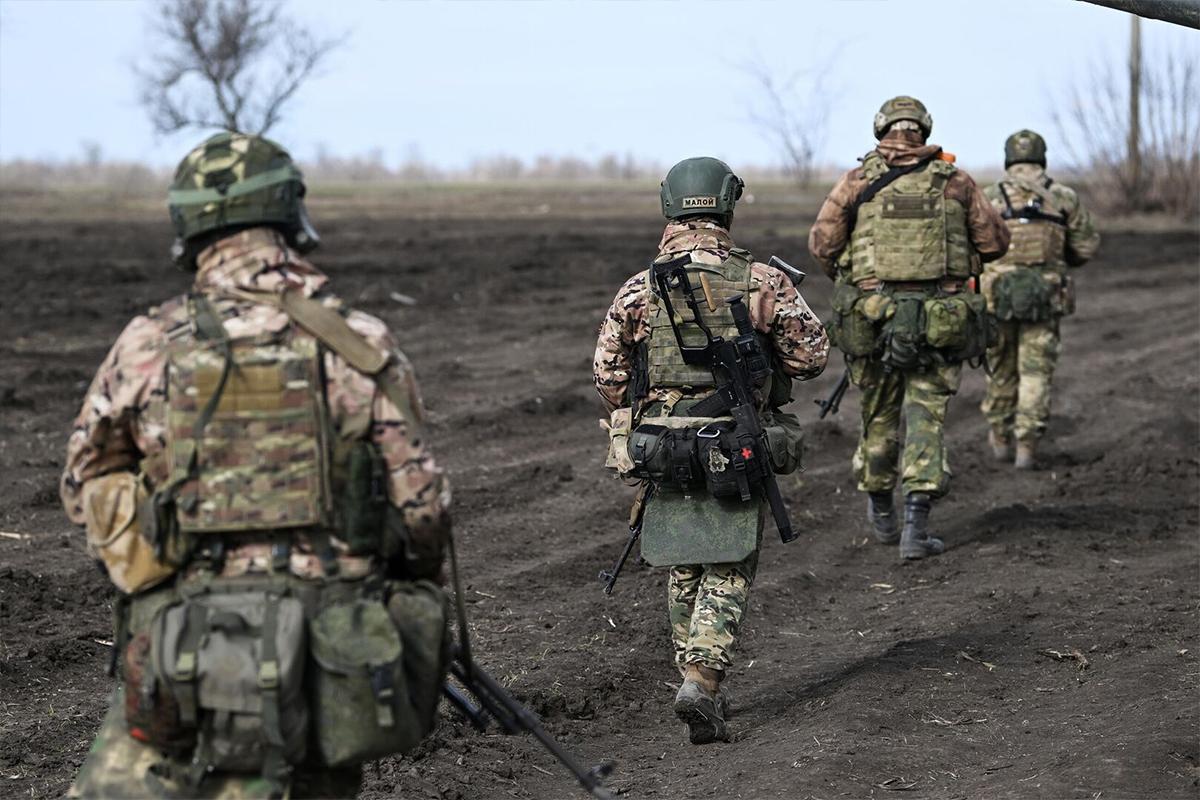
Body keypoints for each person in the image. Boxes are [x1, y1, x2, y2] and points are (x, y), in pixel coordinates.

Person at [62, 132, 452, 798]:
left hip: (185, 649)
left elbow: (82, 487)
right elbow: (421, 513)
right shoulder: (358, 343)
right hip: (326, 660)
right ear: (288, 212)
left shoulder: (148, 343)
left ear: (187, 224)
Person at [594, 157, 828, 744]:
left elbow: (608, 374)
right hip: (735, 438)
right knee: (729, 560)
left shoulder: (639, 286)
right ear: (726, 204)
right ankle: (701, 680)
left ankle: (692, 678)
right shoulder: (762, 281)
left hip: (663, 443)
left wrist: (654, 407)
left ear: (670, 205)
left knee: (681, 557)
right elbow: (811, 357)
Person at [808, 96, 1010, 560]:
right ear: (923, 130)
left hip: (872, 318)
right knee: (926, 418)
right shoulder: (955, 181)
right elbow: (996, 242)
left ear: (881, 131)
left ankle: (882, 511)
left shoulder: (857, 179)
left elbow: (821, 244)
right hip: (940, 320)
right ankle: (915, 531)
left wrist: (861, 278)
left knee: (877, 415)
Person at [981, 129, 1101, 469]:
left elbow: (972, 247)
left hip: (996, 299)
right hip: (1045, 299)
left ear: (1009, 160)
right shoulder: (1062, 197)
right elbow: (1086, 246)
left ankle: (1000, 437)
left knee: (999, 370)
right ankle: (1027, 447)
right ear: (1042, 158)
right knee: (1035, 373)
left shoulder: (990, 196)